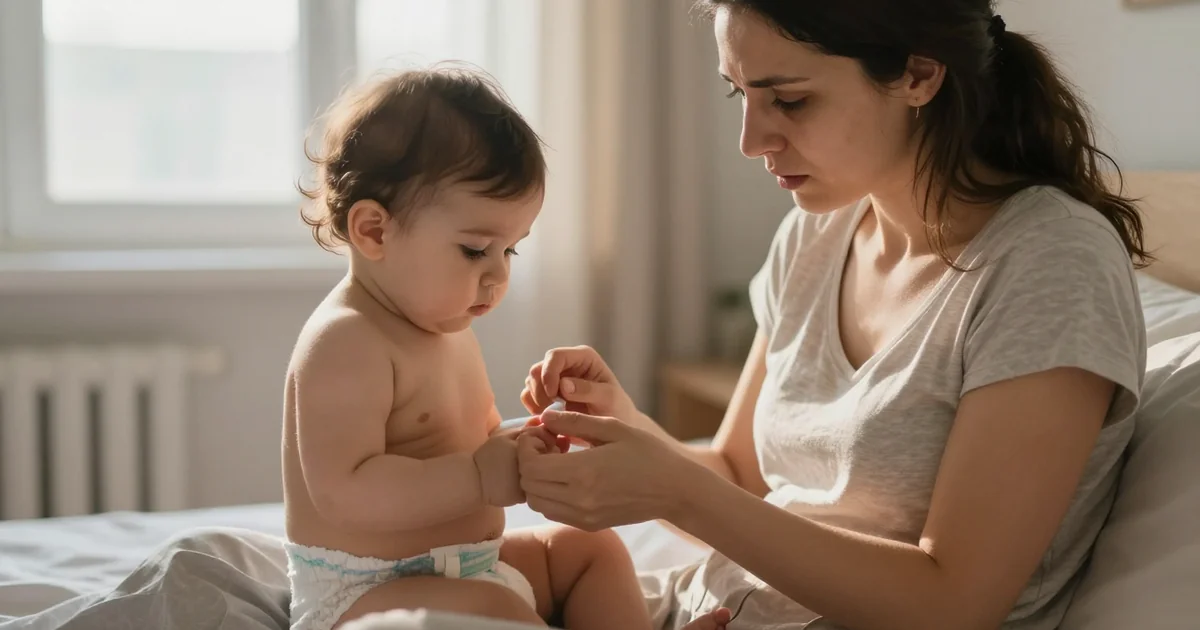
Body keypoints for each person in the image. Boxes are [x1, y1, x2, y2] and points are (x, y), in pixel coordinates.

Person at [517, 2, 1150, 629]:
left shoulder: (1052, 262)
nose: (750, 142)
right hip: (694, 607)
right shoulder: (815, 236)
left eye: (789, 101)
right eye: (739, 94)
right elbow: (741, 479)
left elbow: (952, 604)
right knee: (478, 577)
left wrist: (676, 489)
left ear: (919, 75)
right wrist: (622, 429)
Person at [280, 65, 732, 630]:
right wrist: (478, 477)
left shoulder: (445, 330)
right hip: (362, 597)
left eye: (510, 250)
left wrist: (531, 440)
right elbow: (345, 493)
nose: (497, 275)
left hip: (474, 569)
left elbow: (471, 444)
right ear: (374, 231)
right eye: (475, 250)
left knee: (587, 550)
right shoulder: (346, 341)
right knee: (497, 611)